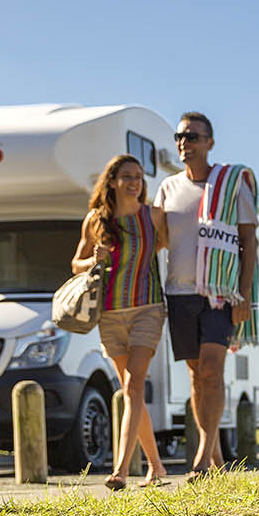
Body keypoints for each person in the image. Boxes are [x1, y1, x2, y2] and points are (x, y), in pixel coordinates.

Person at [155, 112, 257, 473]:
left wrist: (244, 295)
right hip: (179, 292)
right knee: (197, 375)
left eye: (193, 136)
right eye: (180, 136)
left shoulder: (230, 184)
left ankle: (202, 456)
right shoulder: (167, 188)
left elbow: (249, 240)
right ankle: (213, 456)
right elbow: (156, 240)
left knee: (213, 370)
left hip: (219, 294)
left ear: (210, 142)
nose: (185, 142)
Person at [71, 153, 171, 489]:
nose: (134, 182)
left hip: (148, 308)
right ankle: (157, 467)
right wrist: (92, 260)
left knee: (133, 386)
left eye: (139, 177)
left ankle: (121, 470)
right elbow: (75, 264)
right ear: (112, 180)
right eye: (127, 176)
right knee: (132, 392)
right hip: (110, 313)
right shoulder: (95, 220)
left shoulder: (153, 216)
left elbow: (174, 246)